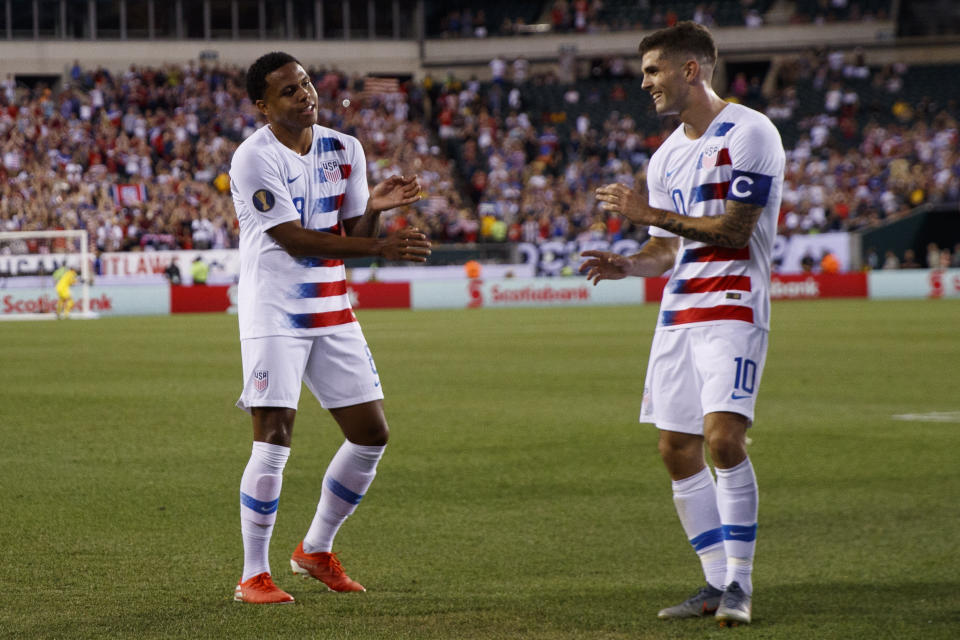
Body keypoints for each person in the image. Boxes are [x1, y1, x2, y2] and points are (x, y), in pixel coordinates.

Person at [580, 22, 785, 626]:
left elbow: (734, 231)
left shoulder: (750, 132)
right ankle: (714, 585)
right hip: (678, 314)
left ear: (690, 69)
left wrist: (649, 212)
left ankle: (741, 587)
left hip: (734, 307)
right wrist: (630, 264)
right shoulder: (665, 154)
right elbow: (665, 250)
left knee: (723, 439)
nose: (645, 83)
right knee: (675, 448)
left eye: (652, 71)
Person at [229, 52, 431, 605]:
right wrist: (379, 243)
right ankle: (252, 574)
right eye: (289, 91)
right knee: (273, 439)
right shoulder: (253, 159)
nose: (306, 95)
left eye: (307, 83)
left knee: (371, 435)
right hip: (274, 311)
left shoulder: (346, 148)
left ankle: (315, 549)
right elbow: (293, 239)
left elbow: (349, 227)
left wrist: (377, 213)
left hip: (332, 306)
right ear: (263, 106)